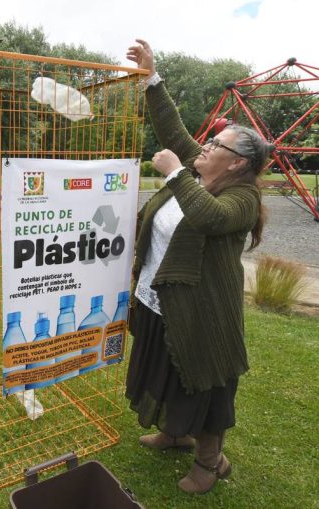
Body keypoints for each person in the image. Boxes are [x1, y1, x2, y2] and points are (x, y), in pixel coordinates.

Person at [124, 39, 273, 494]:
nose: (204, 146)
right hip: (161, 299)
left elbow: (209, 218)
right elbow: (173, 131)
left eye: (216, 144)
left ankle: (210, 463)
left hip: (204, 314)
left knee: (204, 384)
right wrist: (152, 77)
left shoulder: (242, 197)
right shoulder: (198, 171)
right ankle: (175, 434)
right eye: (207, 141)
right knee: (167, 373)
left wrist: (175, 173)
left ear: (238, 163)